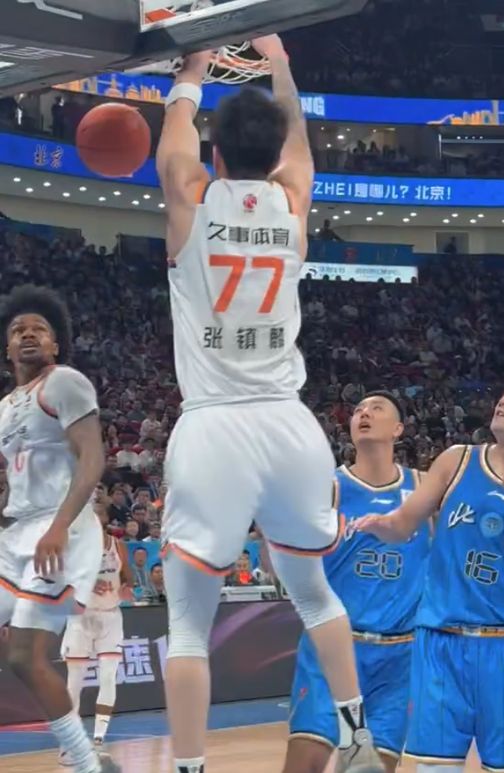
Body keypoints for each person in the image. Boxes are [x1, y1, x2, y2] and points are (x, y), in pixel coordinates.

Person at [155, 34, 383, 773]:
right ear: (275, 150)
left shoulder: (191, 198)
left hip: (214, 424)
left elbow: (173, 148)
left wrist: (191, 72)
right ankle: (357, 735)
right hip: (289, 420)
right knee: (315, 592)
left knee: (188, 623)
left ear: (215, 155)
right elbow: (298, 141)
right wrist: (278, 61)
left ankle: (189, 767)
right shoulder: (292, 199)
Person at [357, 368, 504, 773]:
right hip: (439, 643)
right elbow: (403, 523)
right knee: (435, 767)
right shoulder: (457, 460)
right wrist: (381, 524)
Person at [0, 285, 119, 773]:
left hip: (61, 528)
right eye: (17, 330)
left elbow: (92, 458)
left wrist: (59, 525)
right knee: (18, 655)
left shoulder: (65, 382)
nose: (28, 334)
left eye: (39, 329)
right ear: (7, 347)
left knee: (25, 657)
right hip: (17, 532)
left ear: (55, 345)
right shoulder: (6, 406)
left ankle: (84, 763)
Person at [284, 392, 431, 773]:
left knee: (372, 768)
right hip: (333, 647)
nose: (364, 413)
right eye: (358, 410)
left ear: (398, 429)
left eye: (376, 409)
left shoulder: (424, 489)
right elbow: (283, 562)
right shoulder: (328, 487)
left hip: (399, 656)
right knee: (304, 764)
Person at [60, 484, 133, 762]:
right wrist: (88, 584)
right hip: (80, 616)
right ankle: (69, 745)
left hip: (110, 616)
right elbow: (61, 582)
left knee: (108, 677)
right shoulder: (73, 547)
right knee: (74, 683)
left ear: (104, 519)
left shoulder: (118, 546)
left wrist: (126, 588)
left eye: (97, 513)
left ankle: (99, 739)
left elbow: (128, 578)